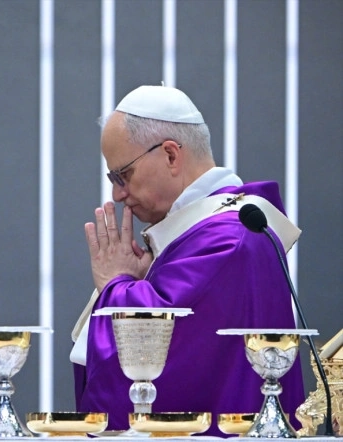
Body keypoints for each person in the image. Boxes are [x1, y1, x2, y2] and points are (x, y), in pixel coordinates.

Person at [70, 85, 306, 436]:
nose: (118, 194)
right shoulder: (211, 232)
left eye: (123, 175)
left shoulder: (228, 239)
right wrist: (143, 280)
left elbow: (161, 354)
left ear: (170, 155)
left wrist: (116, 284)